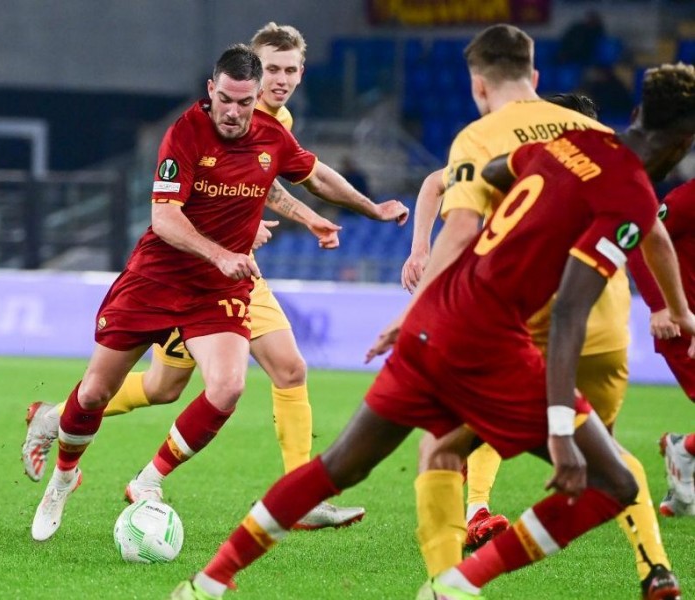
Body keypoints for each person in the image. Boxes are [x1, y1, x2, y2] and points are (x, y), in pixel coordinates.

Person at [168, 60, 695, 600]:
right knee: (615, 482)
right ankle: (460, 583)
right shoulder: (627, 191)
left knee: (340, 465)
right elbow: (568, 314)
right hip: (489, 343)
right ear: (683, 141)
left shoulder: (566, 143)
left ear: (637, 113)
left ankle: (207, 582)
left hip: (434, 316)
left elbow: (494, 176)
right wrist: (560, 432)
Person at [22, 23, 410, 532]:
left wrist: (368, 208)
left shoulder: (275, 128)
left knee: (241, 383)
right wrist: (225, 248)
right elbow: (166, 217)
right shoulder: (185, 132)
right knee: (123, 390)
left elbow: (301, 173)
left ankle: (181, 482)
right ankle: (63, 461)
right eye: (272, 70)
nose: (238, 108)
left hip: (224, 284)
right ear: (213, 88)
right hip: (161, 277)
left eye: (289, 72)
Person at [399, 27, 679, 598]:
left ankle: (452, 568)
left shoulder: (509, 144)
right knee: (607, 456)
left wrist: (423, 266)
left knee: (446, 440)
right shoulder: (605, 145)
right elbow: (654, 232)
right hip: (606, 330)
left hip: (535, 326)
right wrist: (675, 308)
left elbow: (442, 195)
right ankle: (654, 566)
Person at [627, 179, 695, 518]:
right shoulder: (686, 200)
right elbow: (640, 240)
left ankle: (684, 449)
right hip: (681, 324)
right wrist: (658, 306)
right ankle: (683, 449)